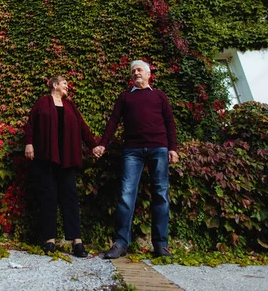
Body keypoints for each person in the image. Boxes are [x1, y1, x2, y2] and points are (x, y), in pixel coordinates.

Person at [94, 60, 179, 259]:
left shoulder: (159, 95)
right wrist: (103, 144)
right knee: (126, 194)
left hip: (159, 148)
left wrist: (173, 148)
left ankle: (160, 245)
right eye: (133, 71)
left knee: (161, 194)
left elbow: (170, 122)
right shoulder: (125, 97)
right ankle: (121, 243)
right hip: (132, 150)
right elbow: (113, 121)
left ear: (149, 74)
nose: (136, 73)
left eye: (139, 70)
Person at [23, 76, 102, 258]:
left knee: (70, 198)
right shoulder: (42, 102)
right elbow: (31, 124)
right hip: (45, 157)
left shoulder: (70, 106)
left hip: (67, 158)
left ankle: (77, 241)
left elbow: (83, 127)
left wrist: (93, 145)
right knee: (48, 197)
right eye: (64, 83)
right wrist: (29, 143)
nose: (67, 86)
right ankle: (49, 240)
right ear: (55, 85)